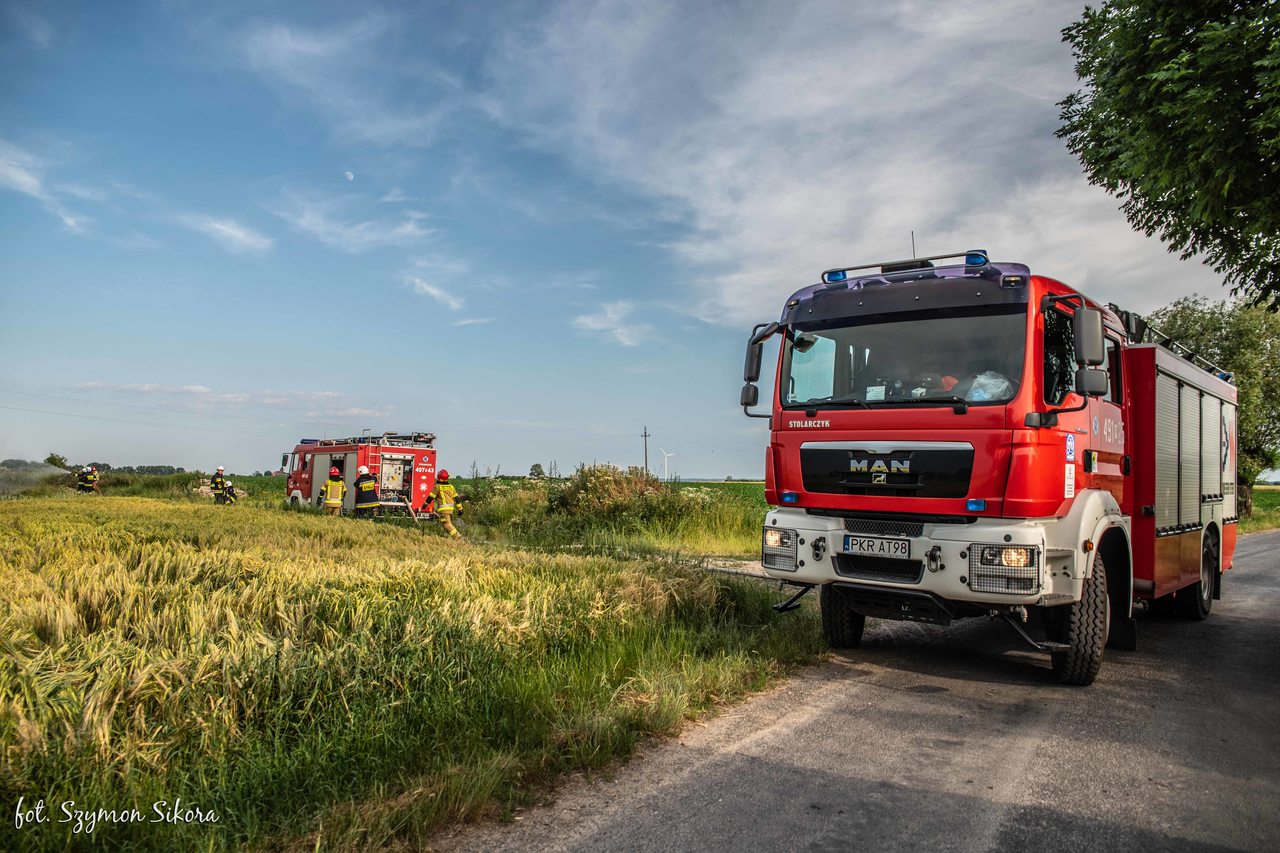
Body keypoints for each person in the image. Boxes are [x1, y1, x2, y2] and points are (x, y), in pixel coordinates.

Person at [425, 469, 462, 538]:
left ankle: (458, 537)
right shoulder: (451, 487)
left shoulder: (437, 486)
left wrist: (425, 504)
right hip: (450, 509)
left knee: (447, 525)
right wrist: (460, 509)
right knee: (446, 524)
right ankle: (450, 537)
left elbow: (431, 497)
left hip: (443, 510)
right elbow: (457, 498)